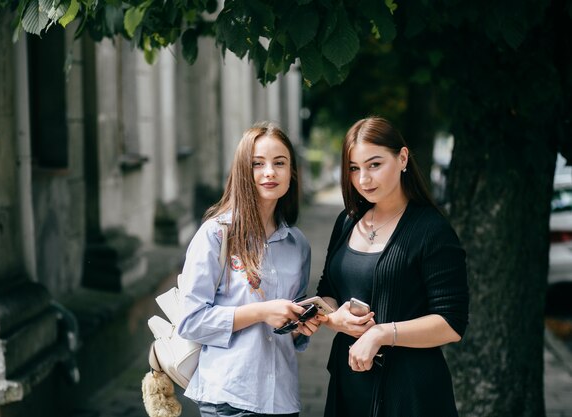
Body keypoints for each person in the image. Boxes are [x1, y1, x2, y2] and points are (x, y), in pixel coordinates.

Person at [315, 116, 469, 417]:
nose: (363, 179)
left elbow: (452, 324)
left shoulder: (432, 230)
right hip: (350, 383)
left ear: (402, 158)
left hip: (410, 394)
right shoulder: (347, 221)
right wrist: (334, 319)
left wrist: (381, 334)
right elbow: (328, 291)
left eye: (374, 165)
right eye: (354, 169)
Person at [177, 122, 318, 417]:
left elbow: (287, 330)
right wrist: (262, 311)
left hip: (282, 400)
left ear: (292, 172)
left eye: (279, 163)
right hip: (229, 398)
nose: (269, 172)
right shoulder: (215, 234)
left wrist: (301, 325)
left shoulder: (298, 245)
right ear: (244, 170)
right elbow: (190, 321)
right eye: (258, 164)